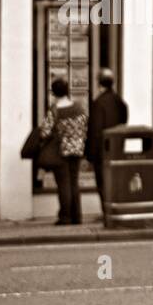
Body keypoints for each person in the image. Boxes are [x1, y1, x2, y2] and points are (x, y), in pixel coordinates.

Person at [40, 77, 88, 225]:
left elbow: (45, 132)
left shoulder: (55, 110)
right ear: (67, 91)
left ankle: (65, 217)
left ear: (53, 93)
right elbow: (85, 126)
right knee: (74, 182)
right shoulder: (79, 107)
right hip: (78, 149)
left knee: (63, 184)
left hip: (61, 151)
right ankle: (77, 216)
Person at [87, 68, 129, 197]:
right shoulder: (120, 102)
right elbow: (123, 124)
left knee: (103, 183)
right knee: (115, 181)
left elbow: (95, 131)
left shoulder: (98, 103)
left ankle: (106, 211)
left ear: (98, 83)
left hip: (102, 151)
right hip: (117, 148)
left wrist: (90, 154)